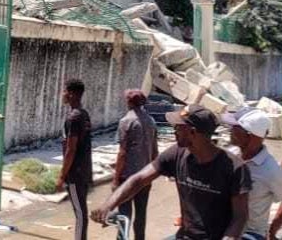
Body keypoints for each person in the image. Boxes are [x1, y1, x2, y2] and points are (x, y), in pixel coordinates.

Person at [92, 104, 251, 240]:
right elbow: (139, 179)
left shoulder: (235, 168)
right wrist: (109, 204)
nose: (174, 131)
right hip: (184, 235)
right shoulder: (177, 153)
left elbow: (240, 216)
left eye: (178, 127)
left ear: (192, 132)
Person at [223, 108, 282, 240]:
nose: (230, 131)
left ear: (249, 135)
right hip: (222, 226)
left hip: (249, 233)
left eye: (235, 128)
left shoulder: (270, 170)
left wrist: (272, 231)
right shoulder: (230, 156)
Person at [113, 89, 158, 240]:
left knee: (124, 214)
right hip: (145, 175)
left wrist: (115, 179)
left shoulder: (126, 121)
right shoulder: (151, 121)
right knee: (141, 215)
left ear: (129, 102)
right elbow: (155, 151)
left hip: (128, 177)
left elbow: (122, 153)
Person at [57, 79, 92, 240]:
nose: (62, 94)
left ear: (71, 94)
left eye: (64, 91)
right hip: (84, 171)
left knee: (80, 213)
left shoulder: (73, 118)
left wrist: (62, 176)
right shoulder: (83, 114)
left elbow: (71, 149)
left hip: (75, 173)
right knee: (81, 211)